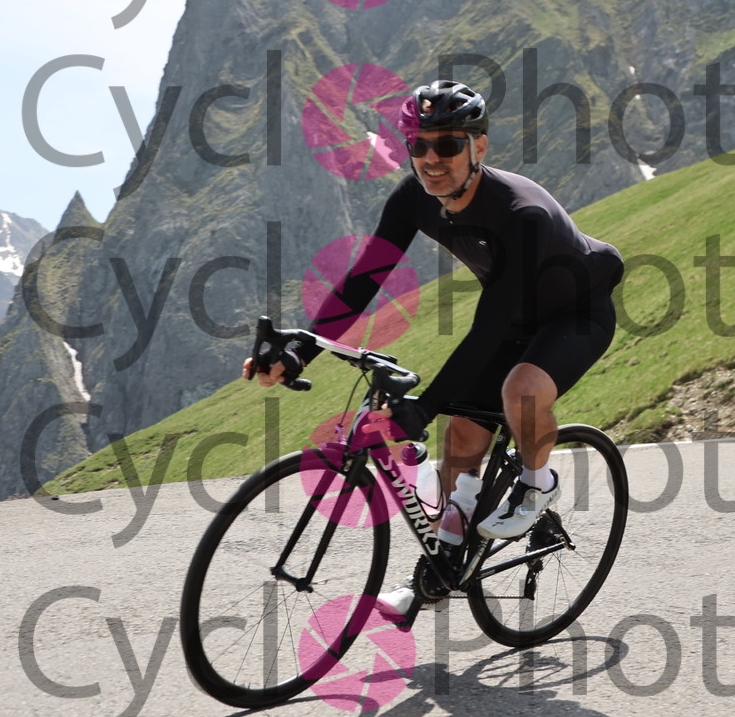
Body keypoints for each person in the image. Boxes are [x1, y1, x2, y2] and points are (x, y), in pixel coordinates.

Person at [243, 79, 624, 615]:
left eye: (447, 144)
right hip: (515, 315)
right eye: (418, 145)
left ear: (478, 146)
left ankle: (538, 484)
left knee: (521, 390)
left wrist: (424, 407)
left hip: (576, 312)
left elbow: (489, 327)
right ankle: (440, 574)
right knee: (461, 439)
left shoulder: (521, 213)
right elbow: (365, 278)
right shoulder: (413, 199)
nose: (430, 159)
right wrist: (301, 350)